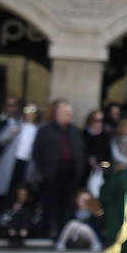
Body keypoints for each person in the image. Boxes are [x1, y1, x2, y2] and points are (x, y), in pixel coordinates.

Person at [32, 100, 86, 241]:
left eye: (70, 113)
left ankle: (64, 235)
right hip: (51, 174)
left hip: (70, 174)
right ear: (57, 114)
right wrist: (43, 172)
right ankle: (45, 234)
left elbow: (81, 152)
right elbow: (37, 153)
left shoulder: (75, 131)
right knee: (49, 205)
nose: (70, 116)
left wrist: (79, 171)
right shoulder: (45, 130)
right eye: (66, 113)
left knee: (67, 206)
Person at [0, 102, 39, 200]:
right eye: (27, 111)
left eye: (33, 112)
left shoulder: (38, 129)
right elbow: (0, 140)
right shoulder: (17, 125)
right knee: (8, 185)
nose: (30, 114)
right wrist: (11, 133)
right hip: (12, 161)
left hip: (28, 162)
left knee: (22, 187)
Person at [0, 183, 38, 248]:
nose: (22, 197)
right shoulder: (9, 204)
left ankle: (22, 234)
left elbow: (35, 219)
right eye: (20, 194)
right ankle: (13, 235)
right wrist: (13, 211)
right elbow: (3, 219)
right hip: (10, 229)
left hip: (27, 230)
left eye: (24, 195)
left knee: (23, 214)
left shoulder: (32, 205)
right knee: (17, 214)